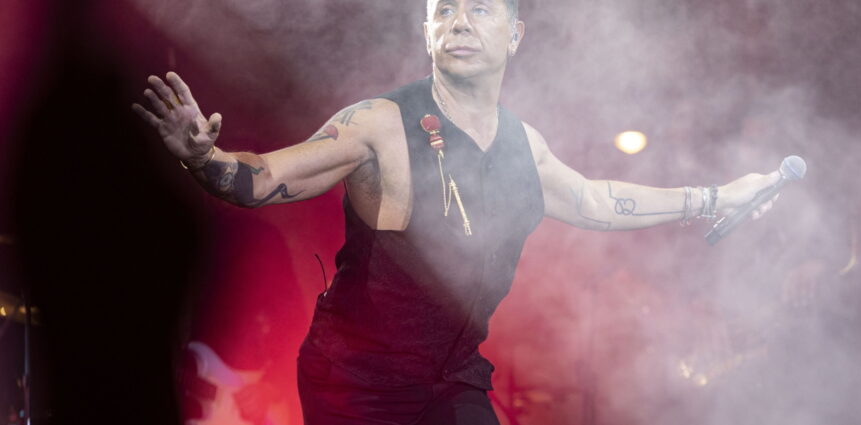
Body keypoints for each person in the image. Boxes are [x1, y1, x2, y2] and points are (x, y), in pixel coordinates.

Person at [133, 0, 780, 423]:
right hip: (356, 383)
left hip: (452, 377)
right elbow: (265, 178)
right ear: (427, 32)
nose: (459, 22)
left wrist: (715, 198)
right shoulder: (380, 124)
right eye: (443, 10)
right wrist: (205, 158)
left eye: (479, 9)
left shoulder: (524, 146)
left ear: (515, 34)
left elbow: (596, 200)